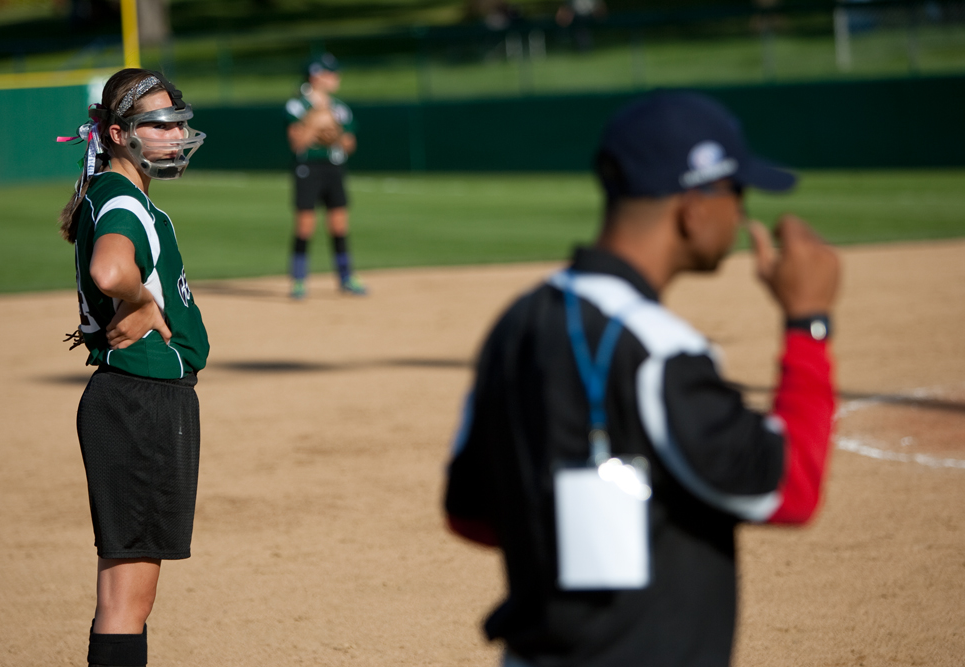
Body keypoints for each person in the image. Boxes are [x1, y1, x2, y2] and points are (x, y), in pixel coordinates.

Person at [443, 91, 840, 667]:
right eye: (736, 192)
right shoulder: (662, 348)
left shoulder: (516, 323)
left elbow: (470, 512)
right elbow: (790, 489)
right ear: (692, 208)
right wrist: (809, 323)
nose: (741, 212)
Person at [57, 68, 209, 667]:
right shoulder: (123, 199)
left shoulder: (112, 193)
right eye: (160, 125)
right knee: (127, 603)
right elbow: (109, 271)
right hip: (143, 401)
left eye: (178, 123)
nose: (175, 135)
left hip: (133, 402)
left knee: (121, 597)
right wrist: (143, 302)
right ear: (119, 134)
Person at [285, 52, 367, 299]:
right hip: (308, 168)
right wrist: (314, 122)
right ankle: (299, 280)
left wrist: (334, 130)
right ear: (316, 76)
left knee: (339, 224)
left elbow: (349, 145)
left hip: (334, 167)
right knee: (305, 225)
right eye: (330, 73)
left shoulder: (340, 108)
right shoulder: (297, 105)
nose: (335, 77)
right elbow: (297, 142)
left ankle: (345, 276)